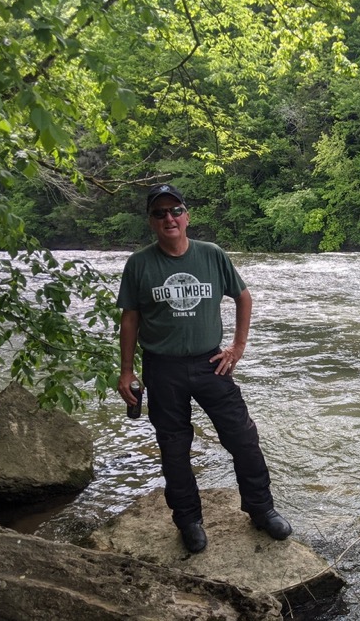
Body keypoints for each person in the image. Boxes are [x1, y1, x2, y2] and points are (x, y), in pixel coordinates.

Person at [116, 183, 292, 553]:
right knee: (175, 449)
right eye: (160, 213)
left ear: (187, 216)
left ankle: (262, 510)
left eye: (175, 210)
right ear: (151, 221)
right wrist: (127, 371)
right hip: (162, 368)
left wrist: (238, 346)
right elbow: (130, 319)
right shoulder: (139, 264)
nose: (169, 218)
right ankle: (189, 521)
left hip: (211, 362)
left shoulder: (211, 255)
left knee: (243, 439)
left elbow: (243, 297)